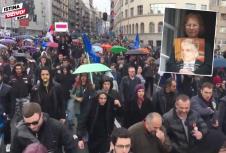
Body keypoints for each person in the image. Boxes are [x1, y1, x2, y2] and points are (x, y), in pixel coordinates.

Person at [11, 103, 76, 153]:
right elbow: (14, 151)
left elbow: (70, 146)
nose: (32, 126)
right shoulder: (20, 132)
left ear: (41, 115)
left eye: (35, 122)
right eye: (27, 124)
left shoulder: (56, 126)